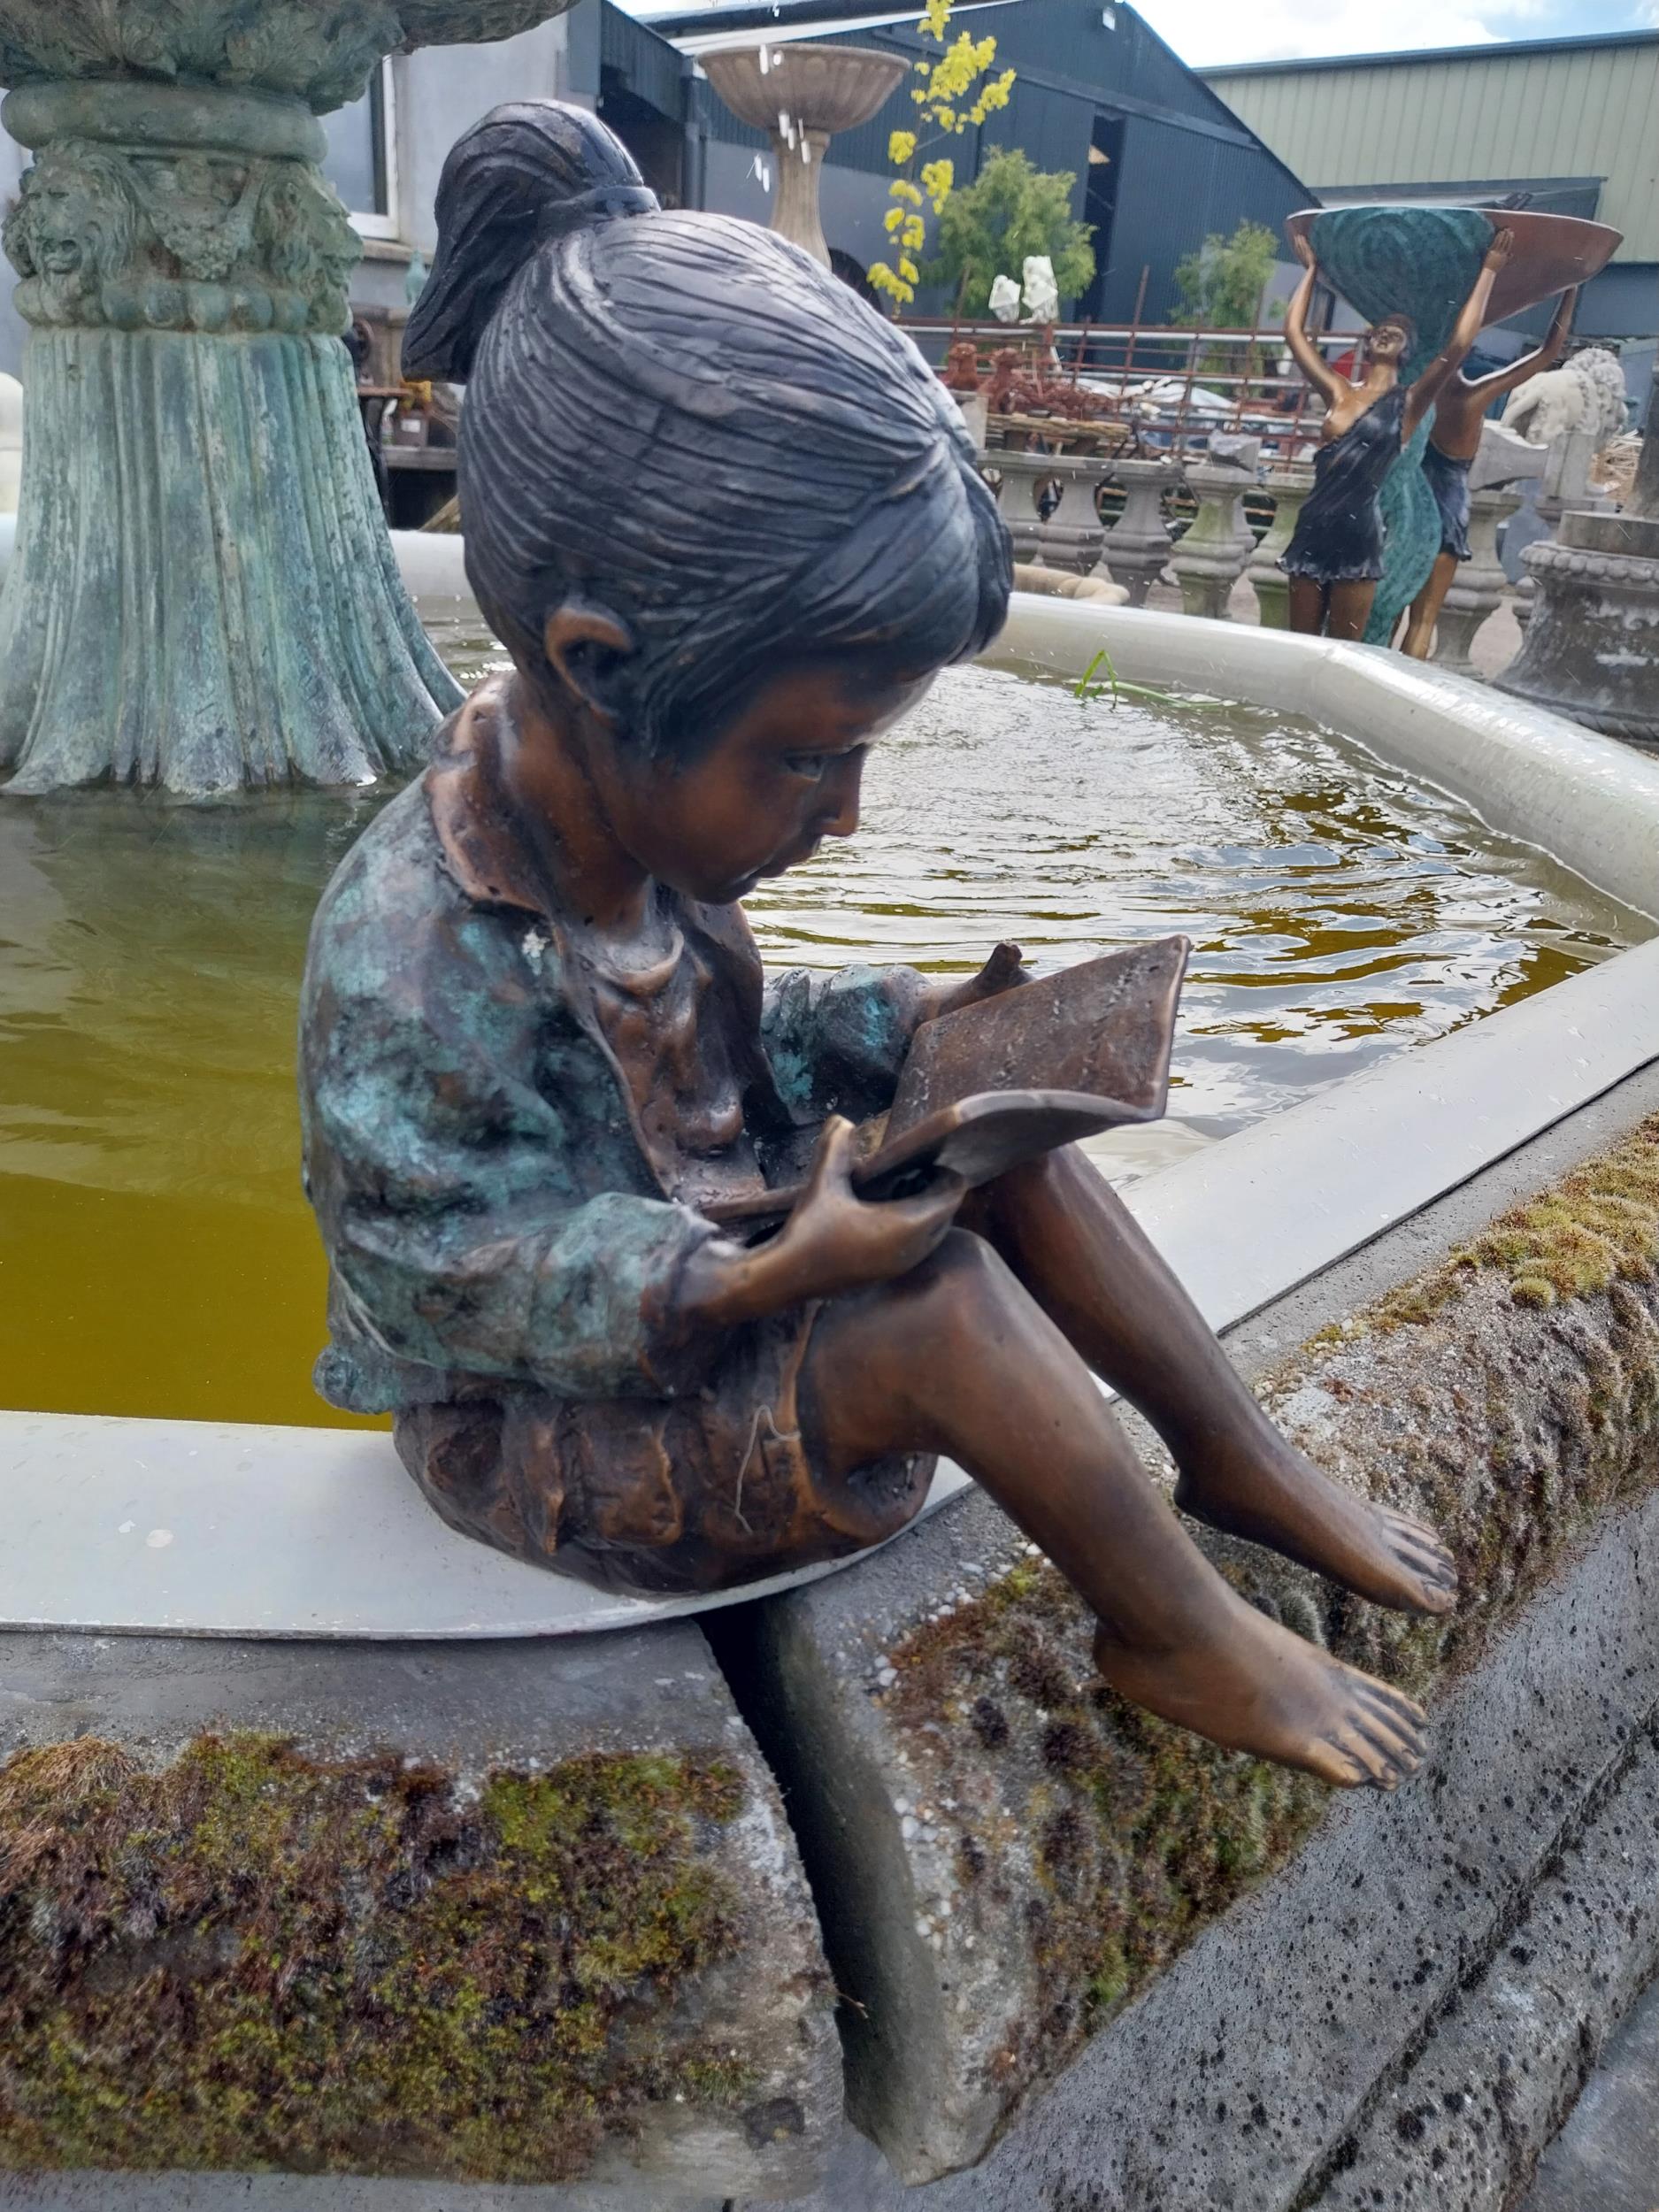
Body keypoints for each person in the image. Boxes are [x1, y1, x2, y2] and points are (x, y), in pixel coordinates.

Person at [300, 101, 1453, 1790]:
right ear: (601, 664)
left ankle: (1229, 1452)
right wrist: (771, 1277)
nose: (840, 814)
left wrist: (896, 1022)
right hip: (540, 1418)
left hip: (702, 1261)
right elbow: (455, 1272)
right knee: (937, 1301)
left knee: (998, 1136)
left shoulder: (642, 833)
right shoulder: (410, 946)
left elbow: (713, 1052)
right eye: (807, 756)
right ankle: (1169, 1629)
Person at [1280, 227, 1514, 640]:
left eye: (1399, 329)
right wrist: (1312, 271)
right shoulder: (1338, 391)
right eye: (1381, 327)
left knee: (1345, 653)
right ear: (1367, 342)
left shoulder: (1410, 403)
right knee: (1295, 642)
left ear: (1408, 350)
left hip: (1358, 537)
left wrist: (1489, 271)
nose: (1388, 330)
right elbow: (1294, 335)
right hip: (1314, 526)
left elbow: (1459, 344)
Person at [1399, 288, 1578, 658]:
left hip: (1408, 507)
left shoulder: (1417, 395)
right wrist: (1570, 290)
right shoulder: (1473, 396)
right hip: (1446, 509)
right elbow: (1548, 351)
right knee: (1424, 619)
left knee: (1388, 610)